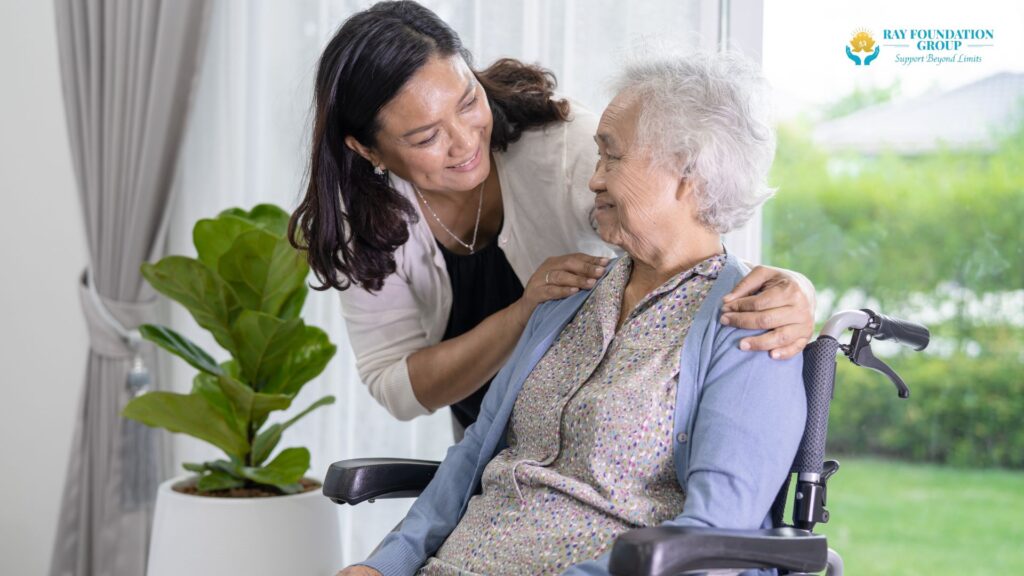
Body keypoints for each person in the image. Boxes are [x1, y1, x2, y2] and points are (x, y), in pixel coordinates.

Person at [338, 49, 807, 576]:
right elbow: (472, 456)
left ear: (687, 176)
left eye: (612, 157)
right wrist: (386, 564)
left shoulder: (749, 329)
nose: (594, 179)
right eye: (598, 156)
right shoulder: (567, 295)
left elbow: (717, 533)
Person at [289, 0, 815, 434]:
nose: (466, 140)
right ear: (367, 150)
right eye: (427, 137)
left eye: (468, 101)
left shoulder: (569, 152)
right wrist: (524, 314)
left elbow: (696, 235)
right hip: (495, 452)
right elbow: (397, 387)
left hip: (599, 437)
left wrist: (793, 291)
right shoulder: (363, 221)